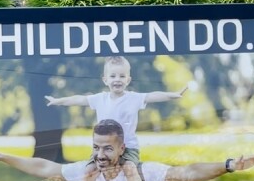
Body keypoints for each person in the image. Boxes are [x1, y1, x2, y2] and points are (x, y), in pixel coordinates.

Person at [0, 119, 254, 181]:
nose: (100, 155)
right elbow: (43, 166)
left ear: (122, 148)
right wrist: (1, 157)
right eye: (96, 147)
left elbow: (187, 173)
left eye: (107, 148)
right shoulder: (84, 173)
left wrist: (229, 165)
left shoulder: (141, 172)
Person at [44, 56, 186, 165]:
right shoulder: (100, 99)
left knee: (129, 170)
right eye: (113, 76)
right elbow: (79, 99)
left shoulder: (134, 98)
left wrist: (173, 95)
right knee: (89, 169)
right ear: (105, 80)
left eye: (122, 76)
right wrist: (58, 101)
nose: (117, 80)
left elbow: (153, 96)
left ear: (128, 80)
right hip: (103, 148)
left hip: (129, 147)